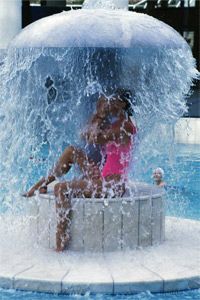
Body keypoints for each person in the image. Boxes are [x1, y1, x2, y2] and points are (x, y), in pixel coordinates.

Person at [24, 89, 137, 251]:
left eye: (112, 100)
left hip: (113, 185)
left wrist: (99, 114)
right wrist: (99, 115)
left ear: (122, 104)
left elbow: (96, 138)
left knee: (61, 189)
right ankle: (40, 183)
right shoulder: (112, 124)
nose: (109, 102)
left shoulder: (126, 126)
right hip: (102, 179)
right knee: (72, 151)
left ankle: (61, 240)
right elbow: (83, 135)